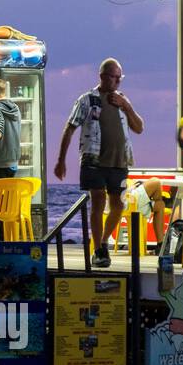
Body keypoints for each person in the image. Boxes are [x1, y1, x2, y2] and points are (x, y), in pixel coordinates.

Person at [54, 58, 144, 268]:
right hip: (94, 160)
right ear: (103, 76)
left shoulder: (122, 101)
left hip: (119, 162)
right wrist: (61, 160)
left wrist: (127, 106)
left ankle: (103, 242)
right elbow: (70, 128)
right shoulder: (87, 99)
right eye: (114, 77)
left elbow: (139, 128)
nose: (117, 82)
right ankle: (99, 249)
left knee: (118, 205)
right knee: (98, 202)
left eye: (119, 79)